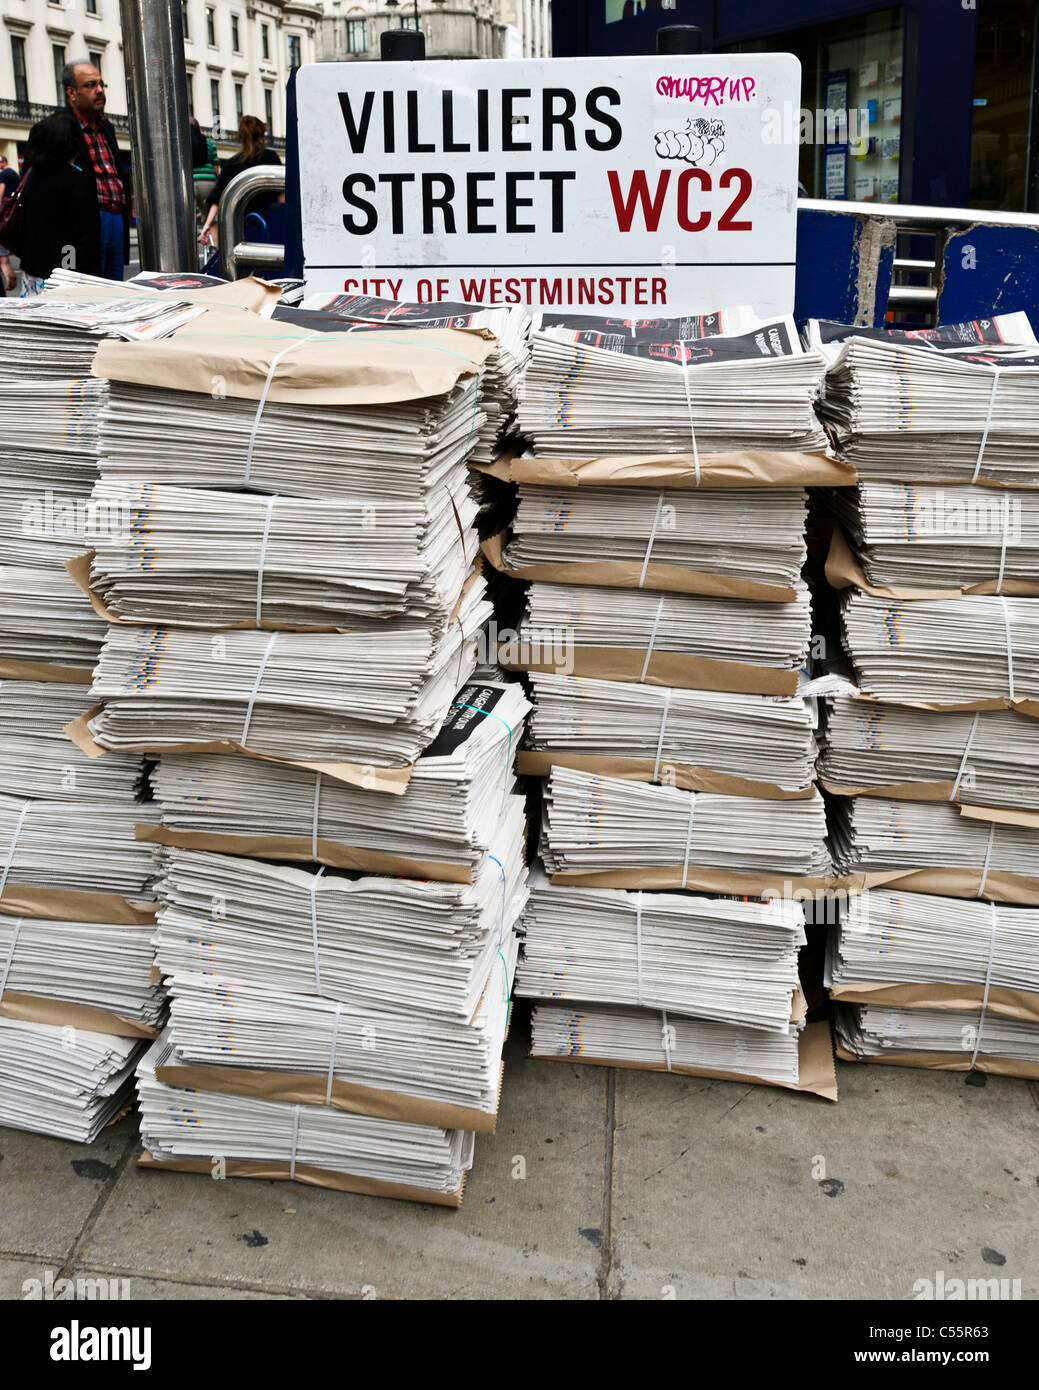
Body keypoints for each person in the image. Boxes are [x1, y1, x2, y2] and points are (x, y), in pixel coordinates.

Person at [28, 59, 130, 281]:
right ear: (71, 93)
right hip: (81, 225)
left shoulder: (107, 128)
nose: (100, 91)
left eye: (102, 84)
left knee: (115, 291)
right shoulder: (55, 129)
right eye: (91, 85)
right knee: (85, 289)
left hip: (115, 219)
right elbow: (37, 188)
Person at [13, 113, 101, 294]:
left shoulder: (31, 177)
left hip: (33, 272)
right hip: (65, 277)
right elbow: (86, 238)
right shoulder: (77, 179)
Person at [200, 115, 281, 248]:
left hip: (239, 230)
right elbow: (281, 196)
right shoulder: (271, 158)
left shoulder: (231, 164)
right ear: (261, 135)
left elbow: (217, 198)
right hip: (269, 227)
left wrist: (207, 226)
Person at [190, 117, 219, 214]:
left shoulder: (183, 143)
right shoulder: (209, 143)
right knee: (210, 217)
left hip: (191, 182)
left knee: (190, 217)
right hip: (208, 181)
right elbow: (216, 167)